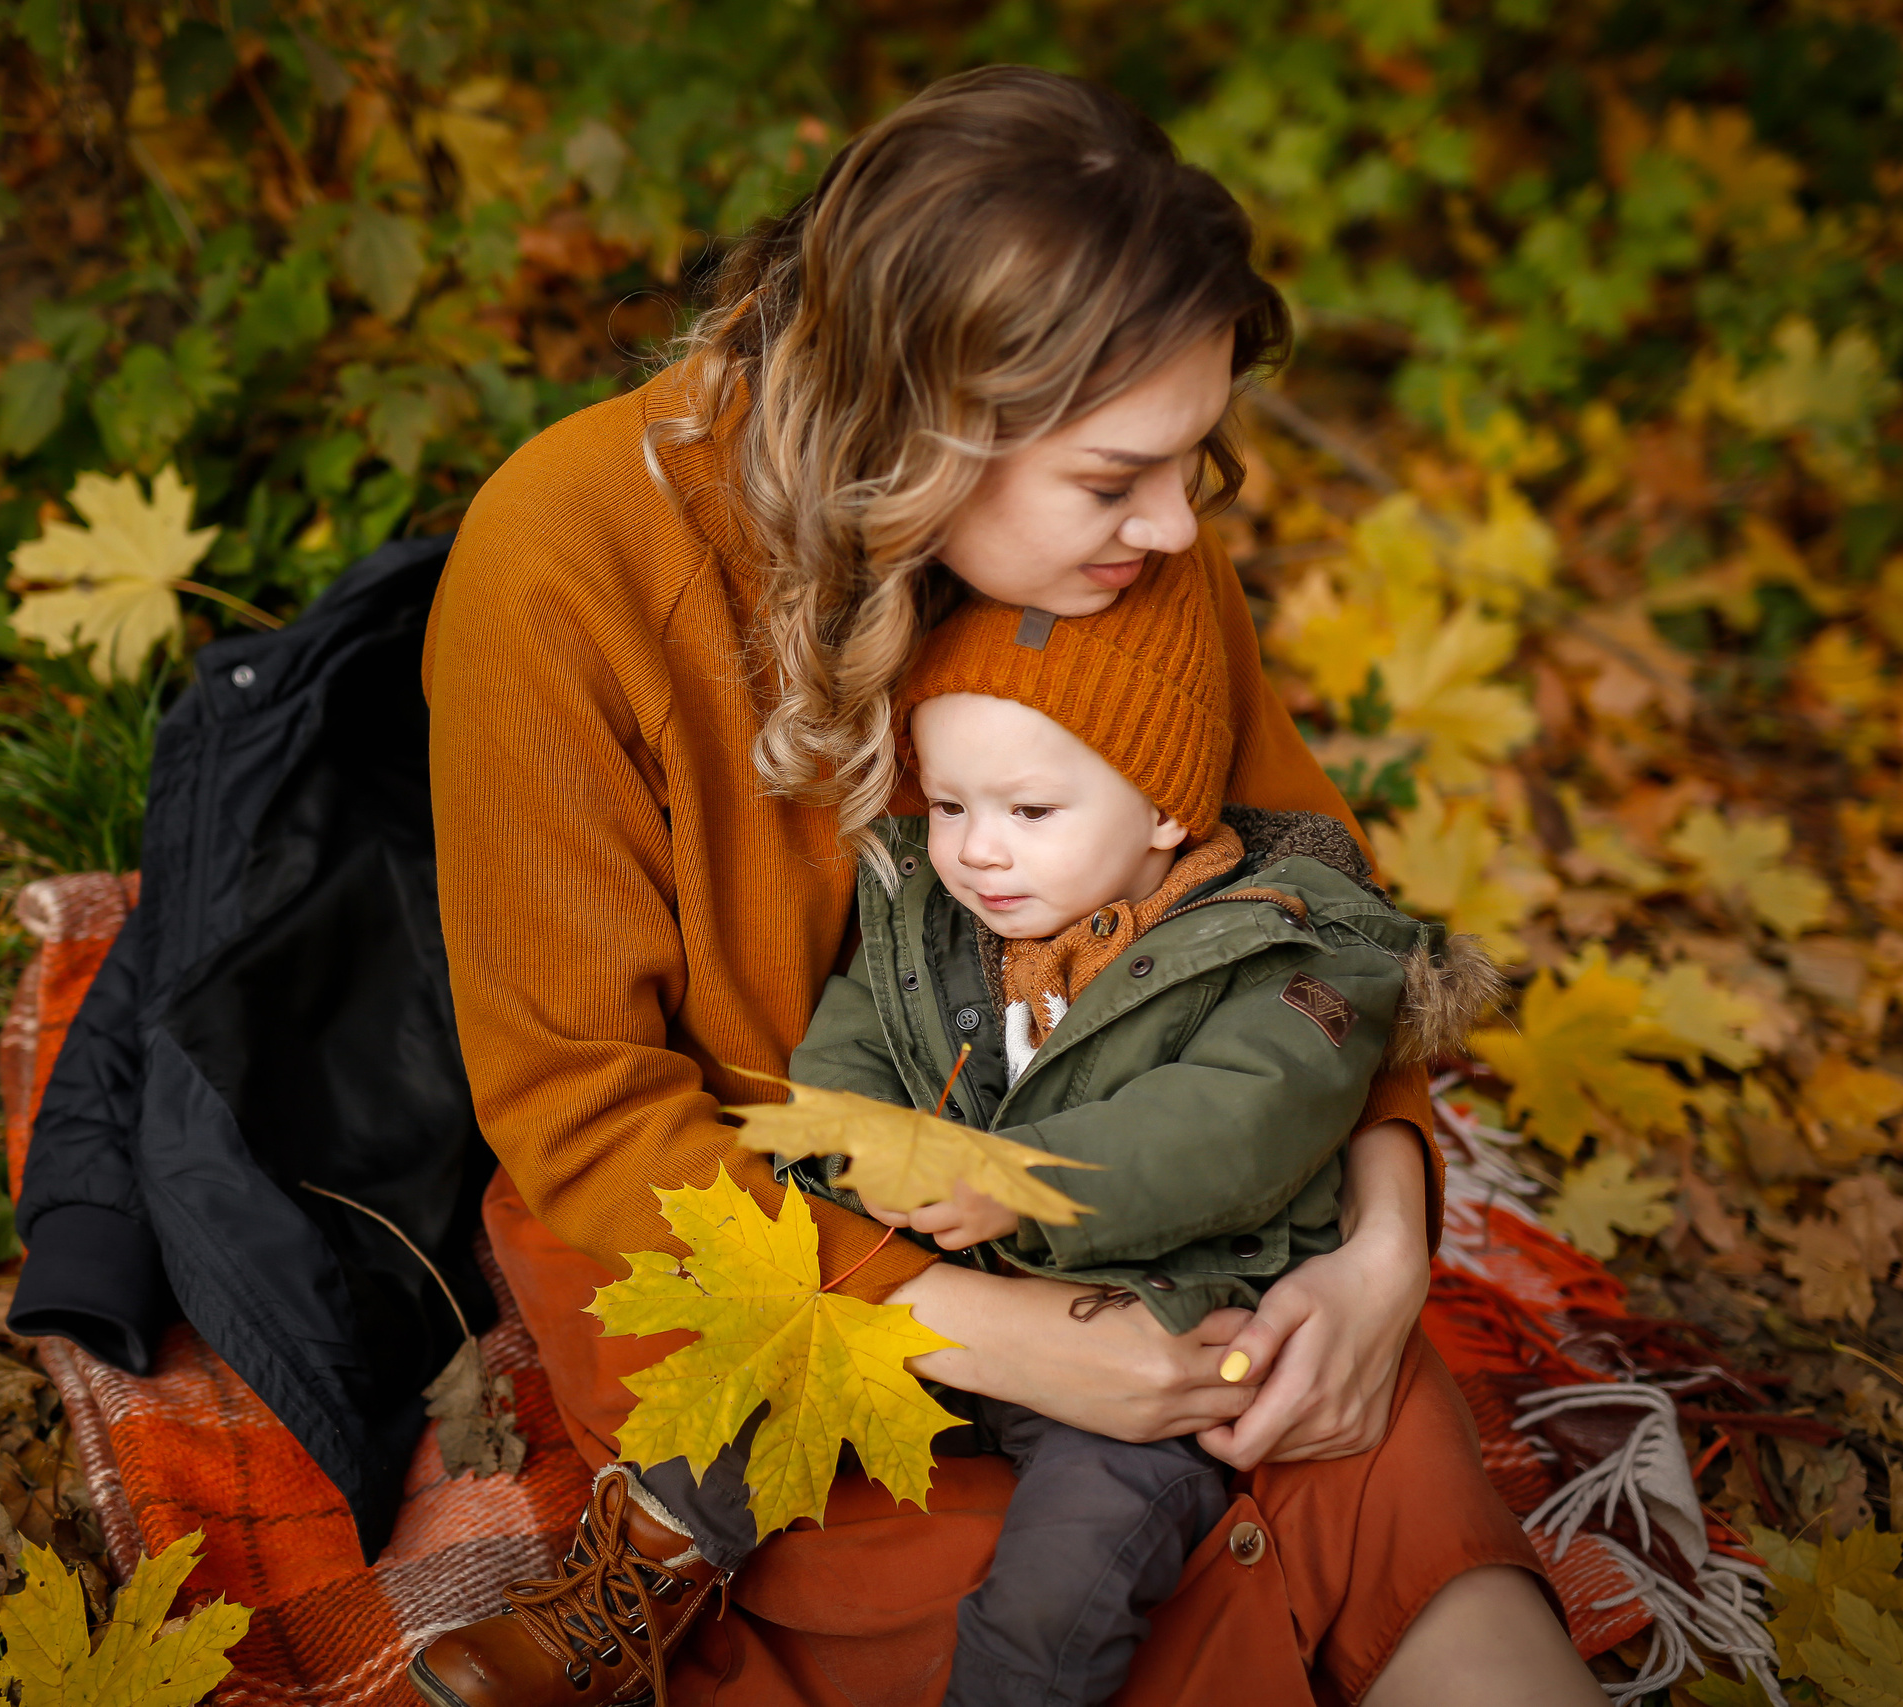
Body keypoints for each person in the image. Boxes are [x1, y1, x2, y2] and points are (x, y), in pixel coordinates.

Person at [415, 62, 1601, 1707]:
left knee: (1366, 1453)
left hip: (1136, 1182)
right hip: (749, 1246)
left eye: (1191, 458)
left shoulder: (1124, 552)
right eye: (1115, 478)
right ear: (915, 430)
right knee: (1000, 1582)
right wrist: (975, 1328)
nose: (1176, 526)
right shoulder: (560, 562)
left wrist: (1383, 1252)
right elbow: (581, 1108)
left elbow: (1305, 892)